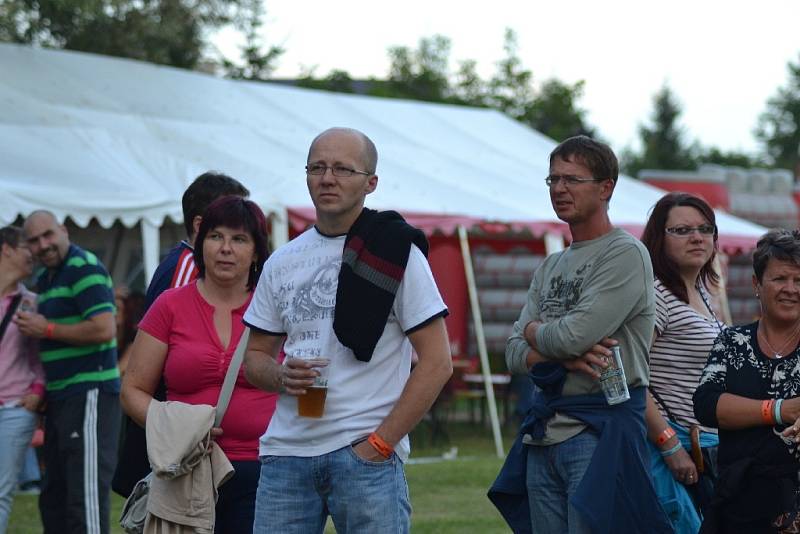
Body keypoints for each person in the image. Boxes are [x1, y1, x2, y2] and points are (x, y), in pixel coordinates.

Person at [243, 127, 453, 534]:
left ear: (370, 183)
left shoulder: (395, 252)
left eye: (342, 168)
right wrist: (280, 376)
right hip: (286, 455)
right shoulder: (282, 261)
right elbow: (254, 359)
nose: (327, 178)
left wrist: (380, 444)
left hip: (364, 456)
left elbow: (437, 362)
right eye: (317, 167)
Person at [490, 135, 671, 533]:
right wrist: (561, 354)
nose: (559, 189)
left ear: (606, 187)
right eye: (552, 180)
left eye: (571, 179)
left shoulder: (623, 253)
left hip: (598, 430)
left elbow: (570, 335)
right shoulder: (551, 264)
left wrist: (536, 331)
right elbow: (512, 353)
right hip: (545, 433)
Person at [121, 196, 277, 533]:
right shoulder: (170, 305)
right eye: (215, 236)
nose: (225, 248)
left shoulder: (277, 310)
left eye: (239, 239)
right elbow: (132, 391)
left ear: (256, 252)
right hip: (186, 469)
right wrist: (180, 427)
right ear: (200, 242)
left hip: (266, 471)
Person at [113, 171, 250, 497]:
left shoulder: (179, 261)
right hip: (180, 440)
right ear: (202, 225)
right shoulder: (190, 268)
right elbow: (175, 351)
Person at [15, 211, 120, 534]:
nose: (43, 245)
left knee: (83, 499)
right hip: (62, 397)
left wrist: (45, 328)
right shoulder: (47, 278)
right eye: (34, 240)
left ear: (63, 230)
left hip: (89, 393)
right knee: (55, 499)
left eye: (48, 235)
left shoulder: (82, 266)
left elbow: (104, 328)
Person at [694, 229, 800, 533]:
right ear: (757, 284)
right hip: (736, 505)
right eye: (780, 278)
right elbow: (706, 403)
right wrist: (781, 410)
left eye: (799, 280)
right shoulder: (732, 341)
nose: (790, 289)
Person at [640, 192, 724, 532]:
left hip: (708, 448)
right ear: (660, 238)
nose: (697, 237)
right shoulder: (656, 296)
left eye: (706, 228)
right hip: (673, 447)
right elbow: (630, 375)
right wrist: (669, 445)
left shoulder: (702, 293)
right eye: (682, 230)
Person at [0, 225, 44, 534]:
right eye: (26, 246)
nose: (34, 253)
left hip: (15, 408)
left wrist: (38, 391)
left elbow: (40, 356)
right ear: (6, 250)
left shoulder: (31, 302)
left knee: (1, 493)